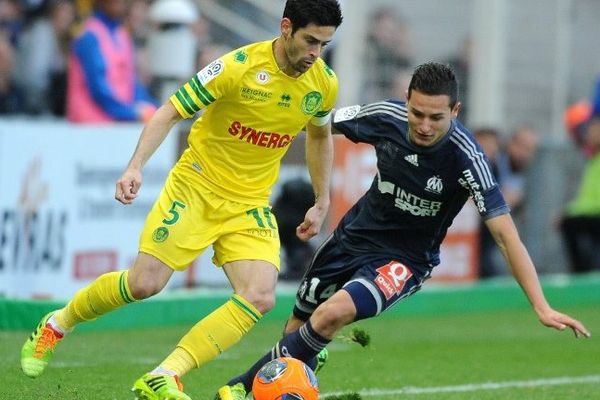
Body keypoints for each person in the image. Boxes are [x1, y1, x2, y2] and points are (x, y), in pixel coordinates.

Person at [20, 1, 343, 400]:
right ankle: (56, 323)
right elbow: (169, 112)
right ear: (286, 27)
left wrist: (321, 197)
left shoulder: (323, 84)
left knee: (259, 295)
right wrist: (135, 166)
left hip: (249, 203)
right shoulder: (237, 67)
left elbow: (318, 136)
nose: (315, 53)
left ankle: (165, 374)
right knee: (144, 284)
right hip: (196, 187)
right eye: (310, 40)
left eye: (324, 45)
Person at [215, 62, 591, 400]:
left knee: (332, 315)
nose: (424, 126)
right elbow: (316, 121)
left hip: (404, 260)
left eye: (436, 118)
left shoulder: (468, 158)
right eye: (417, 113)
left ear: (455, 112)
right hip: (352, 238)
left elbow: (507, 237)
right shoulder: (384, 116)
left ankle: (237, 388)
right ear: (406, 100)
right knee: (296, 332)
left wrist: (541, 306)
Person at [65, 0, 158, 123]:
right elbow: (99, 91)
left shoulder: (122, 34)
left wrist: (156, 108)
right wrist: (132, 112)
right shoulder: (89, 36)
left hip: (116, 127)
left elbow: (131, 83)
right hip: (88, 128)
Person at [559, 117, 600, 273]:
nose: (589, 136)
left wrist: (569, 213)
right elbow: (587, 197)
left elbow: (593, 200)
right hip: (592, 212)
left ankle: (582, 271)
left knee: (569, 223)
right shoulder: (592, 159)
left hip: (595, 213)